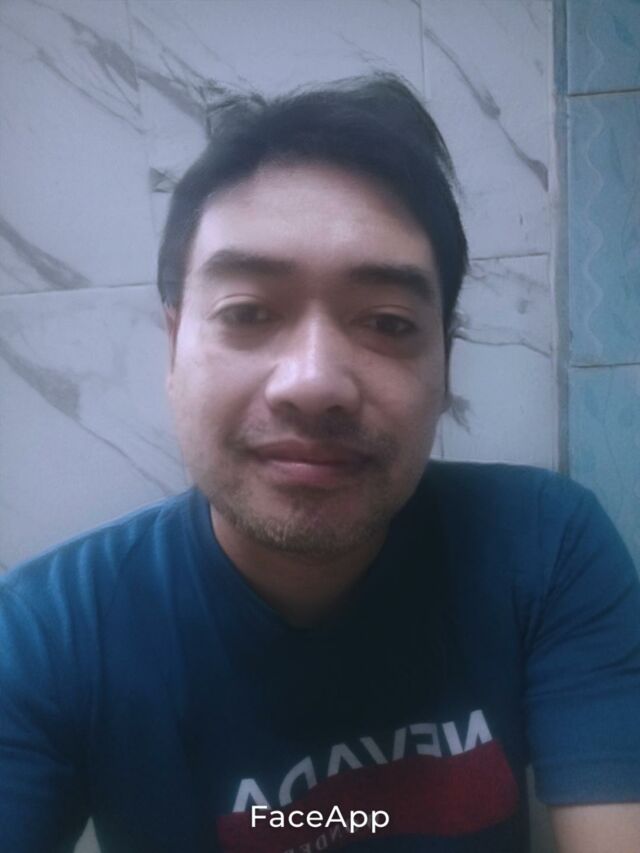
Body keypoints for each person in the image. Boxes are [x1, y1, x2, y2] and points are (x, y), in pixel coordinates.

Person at [1, 73, 639, 853]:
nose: (313, 383)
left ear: (446, 365)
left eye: (388, 322)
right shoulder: (46, 635)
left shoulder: (544, 550)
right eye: (247, 312)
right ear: (173, 347)